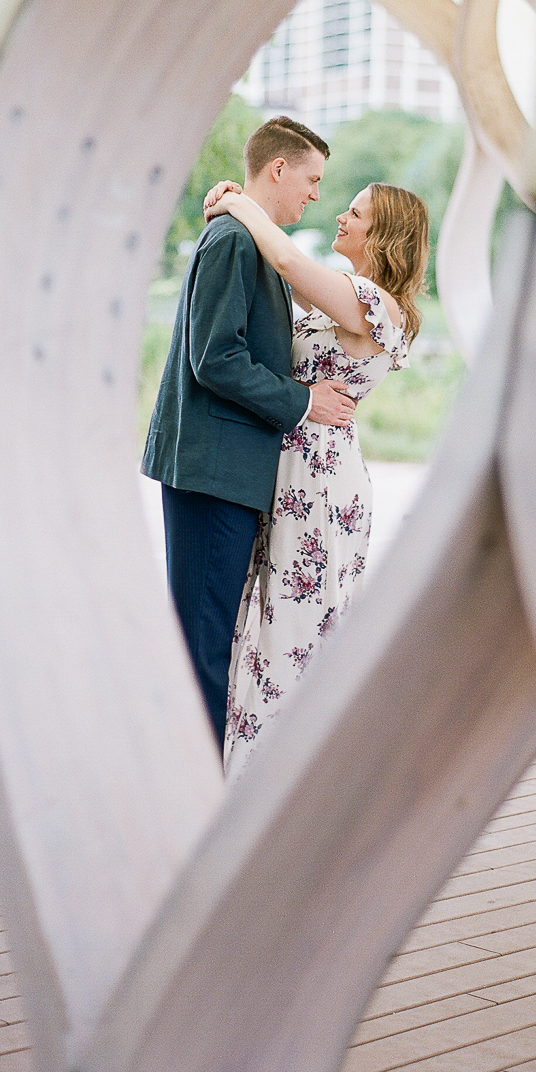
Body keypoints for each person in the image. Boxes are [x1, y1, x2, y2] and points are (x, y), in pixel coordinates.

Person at [201, 177, 429, 778]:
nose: (340, 219)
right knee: (269, 625)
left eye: (355, 214)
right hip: (295, 468)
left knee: (292, 631)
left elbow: (284, 257)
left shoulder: (371, 303)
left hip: (319, 485)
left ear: (382, 236)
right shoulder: (347, 297)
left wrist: (236, 200)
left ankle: (270, 786)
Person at [142, 117, 357, 744]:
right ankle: (198, 799)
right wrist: (303, 401)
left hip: (230, 472)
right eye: (312, 179)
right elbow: (216, 356)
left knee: (212, 639)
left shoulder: (250, 241)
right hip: (212, 471)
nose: (316, 195)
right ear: (279, 169)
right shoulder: (234, 242)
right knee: (204, 646)